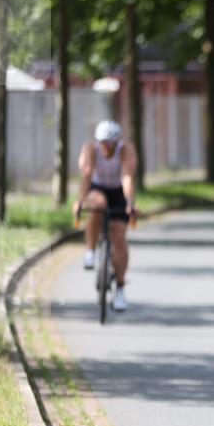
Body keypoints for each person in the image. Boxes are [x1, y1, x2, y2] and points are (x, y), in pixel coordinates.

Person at [73, 120, 138, 311]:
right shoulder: (90, 149)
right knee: (97, 205)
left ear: (117, 142)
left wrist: (130, 202)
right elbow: (86, 176)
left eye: (110, 143)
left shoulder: (125, 150)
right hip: (98, 188)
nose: (106, 147)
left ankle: (120, 289)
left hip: (118, 191)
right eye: (102, 142)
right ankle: (90, 251)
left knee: (118, 237)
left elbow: (127, 177)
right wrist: (80, 201)